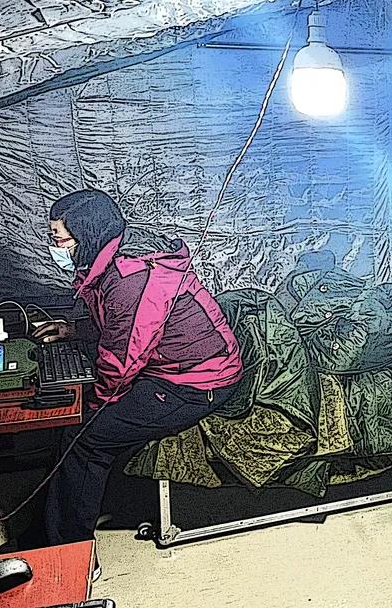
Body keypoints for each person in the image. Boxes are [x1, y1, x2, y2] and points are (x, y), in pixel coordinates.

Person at [36, 189, 243, 548]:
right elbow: (118, 323)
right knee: (80, 419)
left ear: (87, 235)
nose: (56, 247)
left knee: (85, 438)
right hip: (169, 366)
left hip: (197, 382)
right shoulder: (111, 254)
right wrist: (75, 331)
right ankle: (54, 527)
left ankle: (70, 551)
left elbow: (124, 358)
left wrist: (95, 403)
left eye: (60, 239)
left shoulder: (131, 276)